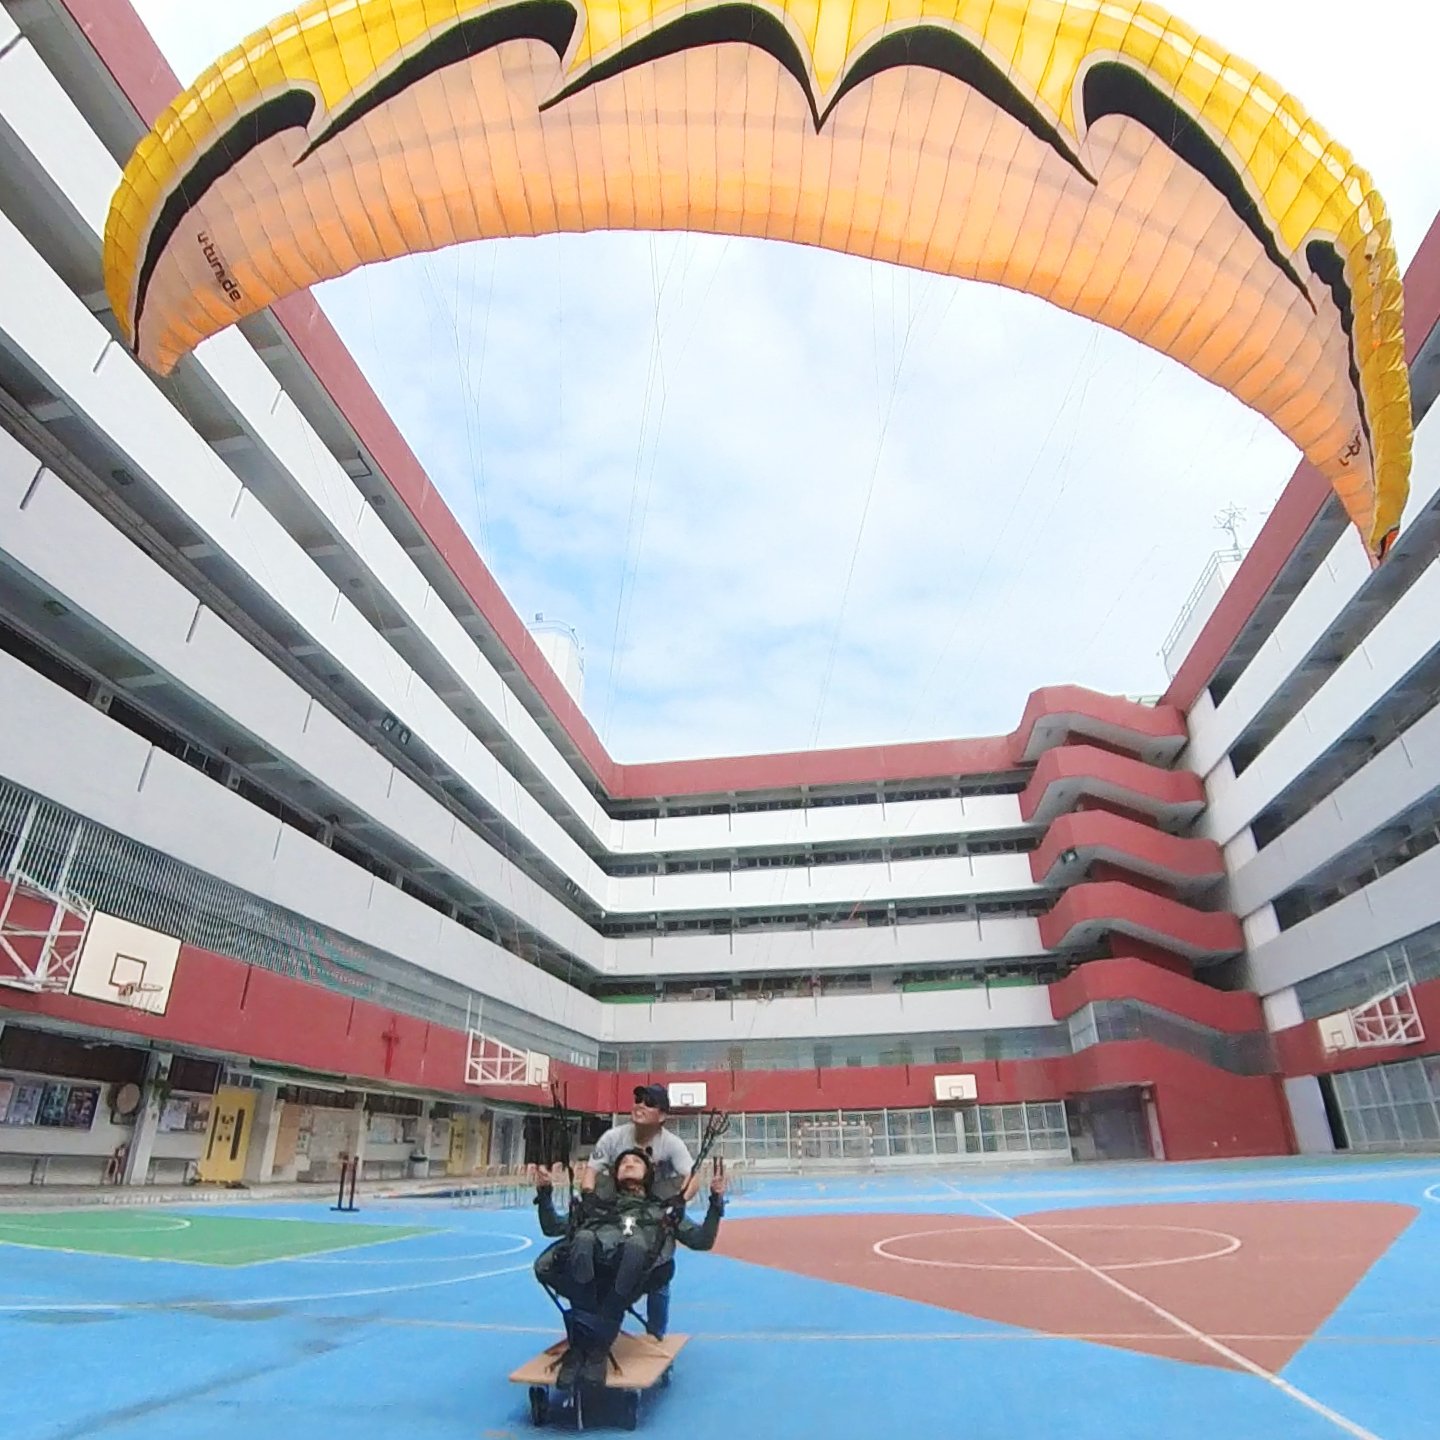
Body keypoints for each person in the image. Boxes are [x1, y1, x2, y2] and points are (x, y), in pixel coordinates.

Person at [532, 1149, 726, 1388]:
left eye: (636, 1161)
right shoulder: (596, 1208)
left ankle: (590, 1347)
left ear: (648, 1174)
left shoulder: (660, 1211)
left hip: (635, 1275)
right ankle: (591, 1346)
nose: (629, 1163)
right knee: (583, 1238)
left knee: (634, 1246)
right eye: (623, 1162)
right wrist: (545, 1193)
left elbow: (702, 1241)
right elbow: (552, 1227)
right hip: (590, 1273)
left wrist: (716, 1203)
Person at [581, 1083, 701, 1339]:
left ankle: (656, 1332)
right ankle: (595, 1322)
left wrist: (679, 1202)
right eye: (637, 1099)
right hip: (618, 1208)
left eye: (649, 1102)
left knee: (659, 1267)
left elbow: (692, 1178)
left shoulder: (672, 1144)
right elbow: (591, 1171)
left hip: (656, 1208)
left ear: (662, 1115)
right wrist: (589, 1197)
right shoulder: (613, 1138)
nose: (640, 1105)